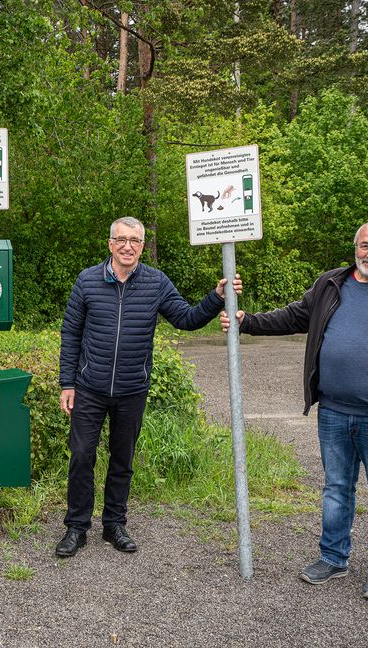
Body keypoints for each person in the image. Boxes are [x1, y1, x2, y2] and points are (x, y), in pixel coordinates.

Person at [222, 219, 368, 602]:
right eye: (365, 246)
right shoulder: (332, 282)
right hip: (332, 411)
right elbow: (295, 316)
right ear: (355, 248)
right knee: (336, 489)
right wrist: (247, 322)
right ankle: (333, 557)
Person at [56, 216, 240, 558]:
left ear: (142, 246)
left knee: (122, 459)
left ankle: (114, 525)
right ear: (110, 244)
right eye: (121, 240)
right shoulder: (87, 281)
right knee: (82, 457)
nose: (128, 246)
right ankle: (77, 528)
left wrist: (215, 298)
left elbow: (187, 319)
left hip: (131, 388)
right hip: (89, 387)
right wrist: (68, 382)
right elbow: (71, 333)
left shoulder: (156, 282)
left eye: (135, 241)